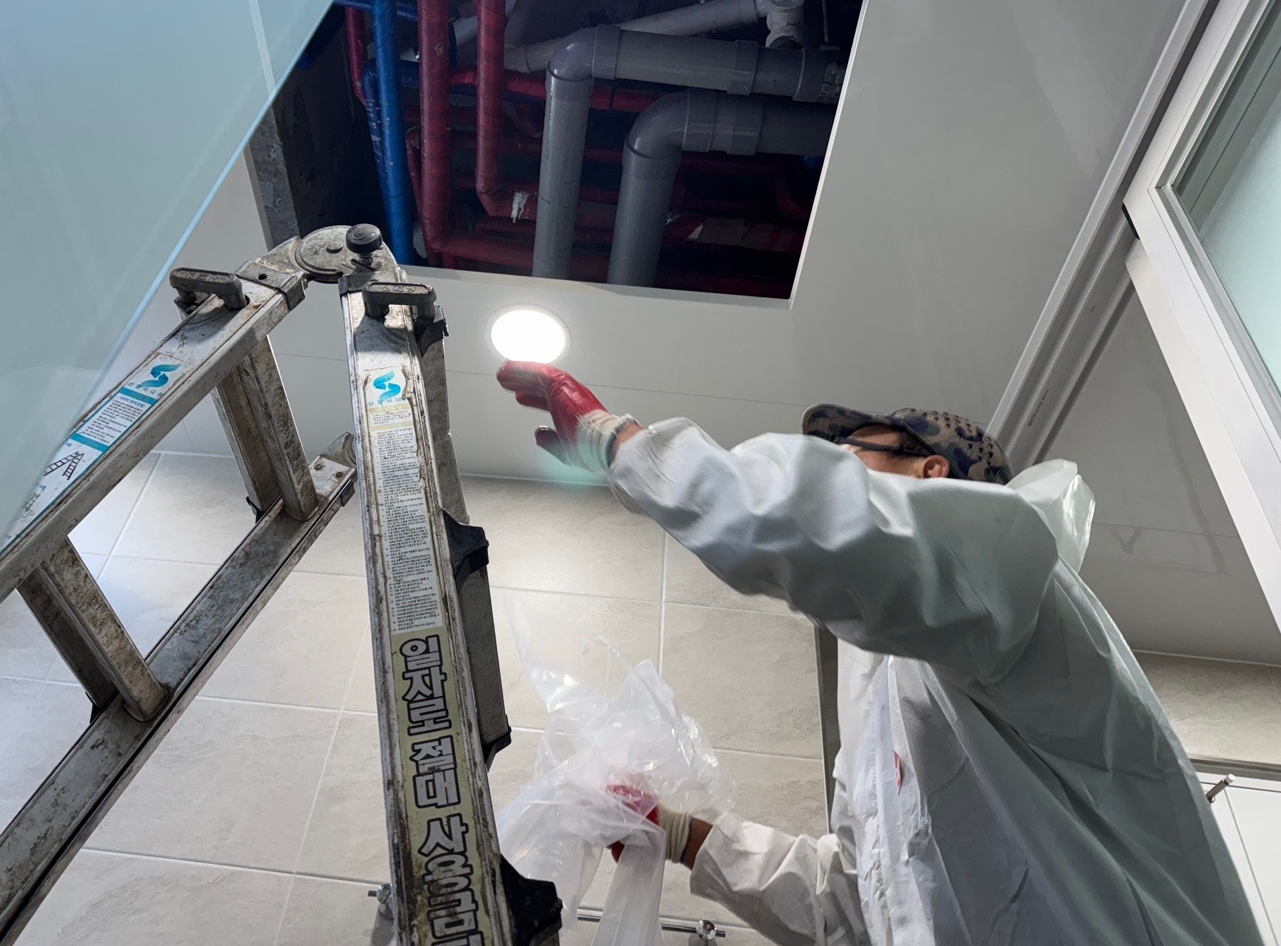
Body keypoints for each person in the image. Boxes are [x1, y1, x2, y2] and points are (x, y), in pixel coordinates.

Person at [495, 360, 1262, 946]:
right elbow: (858, 900)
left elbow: (839, 531)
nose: (829, 465)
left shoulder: (1012, 569)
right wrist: (678, 832)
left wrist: (619, 442)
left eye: (849, 452)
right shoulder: (895, 710)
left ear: (933, 471)